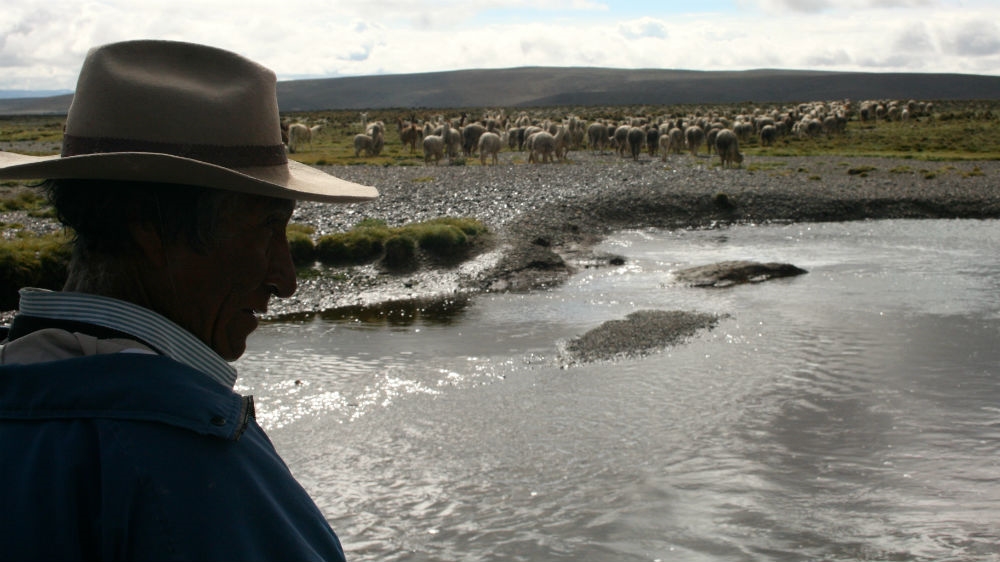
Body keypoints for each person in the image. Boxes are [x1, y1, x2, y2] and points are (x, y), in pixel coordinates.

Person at [0, 40, 377, 561]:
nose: (286, 279)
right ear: (148, 230)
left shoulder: (27, 414)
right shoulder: (186, 454)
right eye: (267, 228)